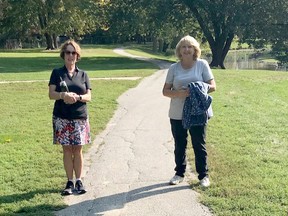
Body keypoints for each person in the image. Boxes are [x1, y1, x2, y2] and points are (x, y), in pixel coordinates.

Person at [162, 35, 216, 187]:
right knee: (180, 144)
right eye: (183, 47)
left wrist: (196, 89)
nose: (186, 50)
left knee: (199, 143)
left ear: (195, 49)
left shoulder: (202, 65)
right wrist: (181, 94)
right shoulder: (174, 68)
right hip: (177, 112)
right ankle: (179, 173)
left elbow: (212, 86)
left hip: (198, 112)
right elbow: (165, 91)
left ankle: (203, 176)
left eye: (190, 46)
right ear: (179, 50)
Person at [48, 40, 92, 195]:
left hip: (79, 116)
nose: (70, 55)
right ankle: (69, 182)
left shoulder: (83, 74)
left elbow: (89, 96)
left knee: (78, 149)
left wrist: (78, 97)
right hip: (62, 117)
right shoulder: (57, 73)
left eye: (73, 52)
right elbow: (51, 94)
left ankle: (79, 180)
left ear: (77, 55)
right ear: (63, 54)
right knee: (67, 150)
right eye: (68, 52)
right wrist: (63, 95)